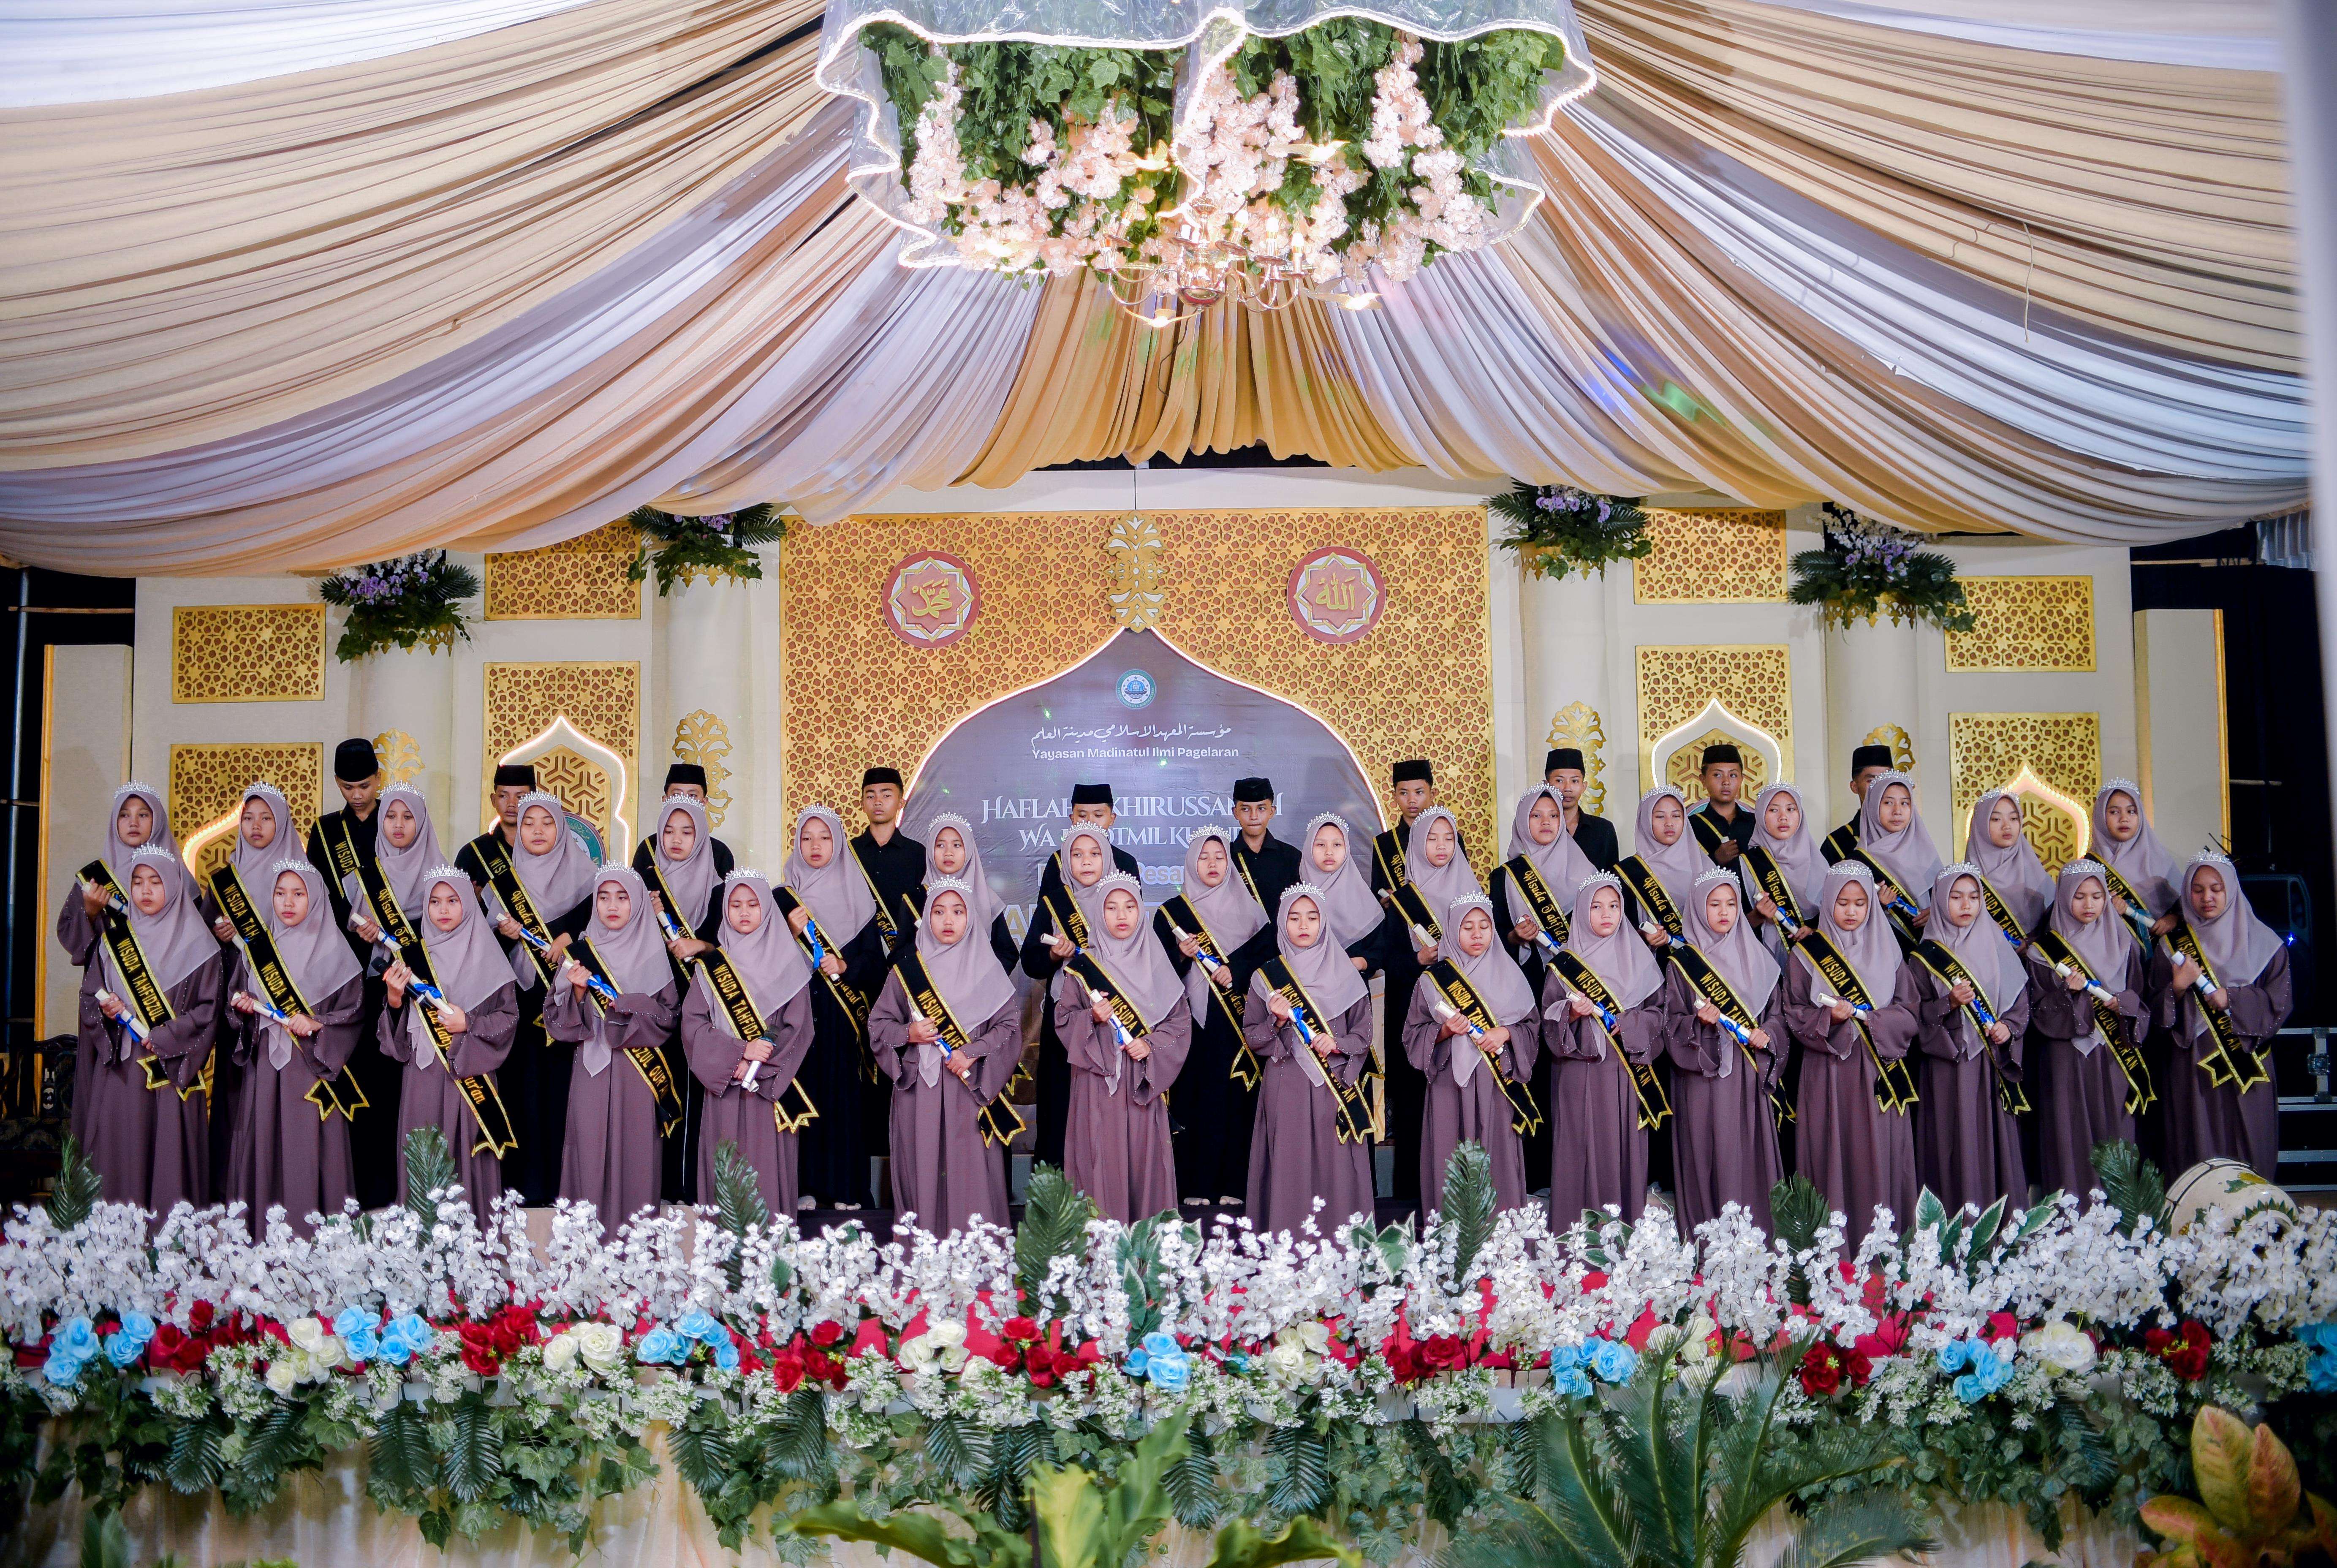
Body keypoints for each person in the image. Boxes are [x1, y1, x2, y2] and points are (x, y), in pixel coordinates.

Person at [73, 844, 220, 1217]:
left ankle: (169, 1242)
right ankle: (116, 1241)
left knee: (168, 1160)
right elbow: (90, 994)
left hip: (170, 1070)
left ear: (174, 885)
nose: (145, 890)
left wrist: (166, 1035)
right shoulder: (113, 942)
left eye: (156, 881)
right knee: (120, 1152)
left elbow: (207, 1012)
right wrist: (106, 1009)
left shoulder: (201, 945)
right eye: (137, 882)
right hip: (122, 1070)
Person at [870, 878, 1018, 1235]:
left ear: (971, 917)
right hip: (919, 1091)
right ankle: (923, 1255)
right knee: (920, 1167)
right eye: (938, 912)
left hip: (969, 1090)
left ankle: (976, 1256)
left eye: (958, 911)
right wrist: (909, 1033)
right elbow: (878, 1025)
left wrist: (972, 1052)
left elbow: (1010, 1028)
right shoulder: (907, 971)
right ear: (926, 917)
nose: (948, 920)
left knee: (971, 1172)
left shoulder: (989, 969)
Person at [1783, 861, 1922, 1238]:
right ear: (1828, 903)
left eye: (1860, 903)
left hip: (1879, 1070)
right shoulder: (1806, 954)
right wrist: (1829, 1019)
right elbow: (1794, 1012)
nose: (1851, 911)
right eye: (1842, 902)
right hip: (1827, 1070)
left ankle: (1882, 1245)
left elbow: (1910, 1011)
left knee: (1878, 1151)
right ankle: (1832, 1249)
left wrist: (1874, 1020)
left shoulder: (1891, 951)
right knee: (1830, 1150)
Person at [224, 861, 363, 1236]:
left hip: (311, 1071)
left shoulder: (337, 952)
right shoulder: (257, 950)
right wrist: (244, 1008)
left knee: (308, 1149)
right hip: (266, 1069)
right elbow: (236, 1005)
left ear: (315, 898)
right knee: (263, 1144)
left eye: (299, 894)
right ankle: (259, 1240)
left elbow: (353, 1014)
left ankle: (313, 1241)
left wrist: (319, 1023)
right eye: (280, 893)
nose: (288, 902)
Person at [475, 791, 598, 1205]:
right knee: (521, 1091)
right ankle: (523, 1187)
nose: (538, 831)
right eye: (529, 823)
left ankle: (566, 1187)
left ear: (562, 828)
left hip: (568, 1003)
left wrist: (570, 938)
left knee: (564, 1092)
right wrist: (503, 934)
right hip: (519, 1001)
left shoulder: (591, 880)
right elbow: (480, 949)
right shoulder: (502, 886)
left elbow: (605, 937)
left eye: (547, 822)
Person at [378, 866, 520, 1224]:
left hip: (470, 1078)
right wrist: (394, 998)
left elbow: (508, 1020)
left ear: (469, 903)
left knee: (466, 1159)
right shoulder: (411, 959)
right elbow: (397, 1040)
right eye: (435, 901)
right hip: (422, 1078)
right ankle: (422, 1251)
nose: (443, 909)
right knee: (423, 1160)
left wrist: (468, 1023)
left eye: (453, 901)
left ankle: (473, 1249)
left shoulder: (491, 956)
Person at [545, 867, 681, 1228]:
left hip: (637, 1073)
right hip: (591, 1069)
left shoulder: (654, 952)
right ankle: (585, 1245)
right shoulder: (580, 952)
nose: (612, 906)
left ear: (637, 903)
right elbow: (555, 1022)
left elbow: (669, 1016)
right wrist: (577, 992)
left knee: (634, 1153)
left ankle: (635, 1247)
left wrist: (628, 1003)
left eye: (622, 897)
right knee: (587, 1149)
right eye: (603, 898)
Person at [1055, 873, 1190, 1223]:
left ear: (1140, 911)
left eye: (1130, 906)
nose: (1122, 915)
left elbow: (1179, 1023)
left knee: (1144, 1162)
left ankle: (1146, 1247)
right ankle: (1098, 1247)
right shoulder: (1082, 968)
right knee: (1098, 1157)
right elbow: (1063, 1021)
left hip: (1142, 1082)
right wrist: (1091, 1017)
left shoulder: (1158, 963)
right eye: (1111, 908)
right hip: (1096, 1082)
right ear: (1099, 913)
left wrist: (1150, 1044)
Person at [681, 872, 817, 1217]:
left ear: (767, 908)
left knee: (765, 1176)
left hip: (768, 1089)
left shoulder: (790, 963)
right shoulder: (711, 967)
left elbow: (799, 1028)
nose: (744, 912)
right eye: (736, 905)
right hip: (725, 1086)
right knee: (726, 1174)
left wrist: (759, 1065)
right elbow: (693, 1025)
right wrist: (739, 1055)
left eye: (753, 905)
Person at [1244, 885, 1375, 1236]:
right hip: (1285, 1084)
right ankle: (1286, 1248)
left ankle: (1341, 1248)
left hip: (1334, 1086)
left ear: (1324, 922)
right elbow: (1252, 1038)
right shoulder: (1266, 977)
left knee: (1337, 1166)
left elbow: (1363, 1036)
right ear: (1282, 922)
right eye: (1294, 917)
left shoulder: (1348, 975)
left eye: (1313, 917)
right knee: (1290, 1165)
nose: (1304, 925)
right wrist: (1276, 1021)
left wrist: (1337, 1043)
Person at [307, 746, 407, 1209]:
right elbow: (317, 892)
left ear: (378, 778)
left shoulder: (397, 819)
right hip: (343, 969)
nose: (358, 795)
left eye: (365, 785)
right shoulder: (327, 831)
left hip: (394, 970)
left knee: (389, 1077)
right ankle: (348, 1188)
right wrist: (353, 921)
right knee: (350, 1074)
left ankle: (390, 1188)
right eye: (348, 788)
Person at [1662, 869, 1786, 1234]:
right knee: (1705, 1151)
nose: (1724, 911)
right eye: (1714, 904)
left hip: (1748, 1076)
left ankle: (1755, 1239)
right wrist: (1698, 1023)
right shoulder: (1682, 963)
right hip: (1702, 1077)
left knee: (1747, 1149)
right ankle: (1708, 1238)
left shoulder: (1760, 956)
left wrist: (1768, 1034)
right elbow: (1671, 1023)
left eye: (1731, 903)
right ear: (1698, 909)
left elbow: (1778, 1014)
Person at [1019, 788, 1139, 1165]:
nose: (1086, 861)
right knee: (1060, 1105)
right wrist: (1055, 954)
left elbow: (1138, 946)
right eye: (1077, 855)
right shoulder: (1058, 890)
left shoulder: (1124, 876)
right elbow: (1031, 960)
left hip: (1115, 1012)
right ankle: (1055, 1194)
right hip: (1067, 1016)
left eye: (1098, 816)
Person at [2152, 853, 2291, 1178]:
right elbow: (2154, 1015)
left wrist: (2234, 999)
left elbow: (2279, 1004)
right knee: (2196, 1147)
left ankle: (2254, 1209)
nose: (2207, 898)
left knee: (2249, 1141)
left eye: (2216, 889)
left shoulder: (2267, 944)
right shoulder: (2171, 948)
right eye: (2198, 890)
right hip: (2191, 1063)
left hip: (2247, 1059)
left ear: (2231, 889)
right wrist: (2177, 988)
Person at [1156, 825, 1273, 1207]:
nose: (1212, 863)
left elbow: (1268, 961)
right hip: (1189, 1021)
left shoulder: (1252, 911)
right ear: (1192, 862)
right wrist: (1181, 955)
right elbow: (1152, 972)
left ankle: (1234, 1185)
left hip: (1238, 1020)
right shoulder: (1172, 913)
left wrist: (1234, 970)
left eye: (1219, 856)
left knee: (1237, 1099)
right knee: (1193, 1098)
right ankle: (1194, 1184)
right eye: (1204, 857)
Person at [1541, 873, 1666, 1228]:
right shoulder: (1564, 965)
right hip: (1578, 1073)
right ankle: (1575, 1238)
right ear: (1582, 912)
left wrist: (1630, 1023)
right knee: (1579, 1146)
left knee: (1622, 1146)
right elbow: (1548, 1019)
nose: (1606, 914)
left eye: (1614, 906)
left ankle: (1624, 1235)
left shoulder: (1641, 959)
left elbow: (1660, 1014)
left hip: (1625, 1072)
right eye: (1596, 907)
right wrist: (1570, 1013)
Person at [781, 804, 889, 1209]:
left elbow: (876, 966)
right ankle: (804, 1187)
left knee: (843, 1099)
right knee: (803, 1094)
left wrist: (845, 966)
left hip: (842, 1018)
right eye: (807, 838)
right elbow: (760, 958)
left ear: (839, 843)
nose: (816, 846)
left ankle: (847, 1189)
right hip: (796, 1016)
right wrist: (789, 931)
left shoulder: (857, 894)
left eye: (825, 837)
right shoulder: (782, 897)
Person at [1374, 803, 1481, 1211]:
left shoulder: (1473, 895)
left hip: (1468, 1020)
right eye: (1432, 838)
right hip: (1417, 1018)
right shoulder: (1403, 901)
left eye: (1448, 838)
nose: (1441, 846)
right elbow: (1389, 960)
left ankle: (1467, 1196)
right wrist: (1419, 959)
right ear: (1417, 844)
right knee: (1415, 1103)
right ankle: (1414, 1198)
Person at [2025, 860, 2149, 1204]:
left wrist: (2124, 1004)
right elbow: (2038, 1013)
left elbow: (2141, 1001)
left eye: (2097, 896)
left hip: (2112, 1056)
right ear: (2065, 898)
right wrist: (2068, 993)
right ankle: (2071, 1218)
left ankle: (2121, 1216)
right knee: (2068, 1133)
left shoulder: (2125, 944)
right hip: (2064, 1058)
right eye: (2079, 896)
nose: (2089, 904)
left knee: (2116, 1129)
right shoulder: (2042, 952)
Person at [1405, 894, 1540, 1212]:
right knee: (1450, 1158)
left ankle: (1501, 1237)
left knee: (1498, 1157)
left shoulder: (1511, 974)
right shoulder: (1432, 981)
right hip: (1449, 1085)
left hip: (1496, 1084)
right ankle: (1453, 1238)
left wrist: (1505, 1033)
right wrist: (1444, 1031)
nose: (1477, 934)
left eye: (1484, 926)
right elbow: (1412, 1034)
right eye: (1467, 928)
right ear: (1453, 931)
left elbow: (1532, 1028)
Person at [1910, 864, 2032, 1212]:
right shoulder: (1924, 956)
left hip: (1990, 1064)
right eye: (1956, 897)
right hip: (1948, 1065)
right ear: (1940, 901)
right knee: (1951, 1139)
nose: (1966, 905)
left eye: (1974, 897)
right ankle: (1952, 1224)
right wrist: (1948, 1003)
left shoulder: (1998, 946)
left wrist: (2009, 1027)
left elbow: (2020, 1005)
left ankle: (1999, 1221)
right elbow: (1915, 1016)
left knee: (1991, 1138)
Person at [1490, 783, 1595, 1182]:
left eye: (1553, 815)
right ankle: (1534, 1176)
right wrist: (1516, 937)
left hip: (1576, 991)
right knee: (1531, 1071)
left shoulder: (1585, 872)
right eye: (1536, 816)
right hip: (1526, 984)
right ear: (1522, 821)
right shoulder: (1505, 877)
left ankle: (1575, 1173)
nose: (1546, 822)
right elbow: (1492, 939)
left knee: (1571, 1076)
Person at [633, 793, 726, 1201]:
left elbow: (730, 947)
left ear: (701, 837)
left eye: (687, 832)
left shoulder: (721, 890)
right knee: (653, 1089)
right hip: (652, 1000)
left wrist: (700, 946)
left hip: (700, 1002)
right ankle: (650, 1185)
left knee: (692, 1090)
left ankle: (689, 1186)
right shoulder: (643, 885)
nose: (676, 839)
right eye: (668, 831)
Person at [58, 782, 184, 972]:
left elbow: (198, 939)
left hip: (170, 981)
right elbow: (69, 937)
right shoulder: (95, 878)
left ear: (157, 820)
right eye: (124, 815)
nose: (133, 823)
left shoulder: (178, 874)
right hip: (111, 981)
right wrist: (90, 913)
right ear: (114, 822)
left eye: (143, 815)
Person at [1845, 772, 1941, 946]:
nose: (1897, 811)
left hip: (1927, 954)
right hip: (1881, 951)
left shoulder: (1927, 854)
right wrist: (1878, 907)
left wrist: (1938, 915)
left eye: (1905, 803)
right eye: (1888, 803)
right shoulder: (1856, 863)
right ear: (1873, 806)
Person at [914, 813, 1018, 973]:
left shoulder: (986, 898)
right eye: (940, 845)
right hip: (929, 986)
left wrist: (978, 978)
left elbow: (1007, 954)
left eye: (957, 845)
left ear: (969, 850)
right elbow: (902, 954)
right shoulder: (915, 898)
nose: (948, 853)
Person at [1614, 786, 1708, 951]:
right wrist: (1643, 935)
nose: (1669, 823)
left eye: (1676, 816)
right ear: (1645, 821)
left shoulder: (1706, 867)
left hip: (1700, 962)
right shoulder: (1628, 872)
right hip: (1649, 960)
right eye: (1660, 817)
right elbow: (1618, 931)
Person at [1742, 783, 1825, 962]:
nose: (1783, 817)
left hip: (1815, 962)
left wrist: (1816, 932)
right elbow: (1732, 928)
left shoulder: (1818, 862)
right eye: (1773, 810)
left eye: (1791, 809)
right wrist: (1758, 916)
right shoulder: (1746, 864)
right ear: (1760, 815)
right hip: (1762, 962)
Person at [851, 766, 925, 961]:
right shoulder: (848, 853)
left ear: (901, 803)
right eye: (871, 796)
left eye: (886, 795)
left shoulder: (918, 854)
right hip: (856, 957)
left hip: (906, 954)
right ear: (862, 804)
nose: (878, 802)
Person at [2092, 780, 2183, 939]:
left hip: (2158, 949)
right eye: (2114, 812)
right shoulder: (2090, 865)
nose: (2124, 819)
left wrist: (2174, 918)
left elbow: (2188, 908)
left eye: (2131, 812)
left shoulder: (2161, 861)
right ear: (2100, 817)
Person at [1964, 790, 2054, 941]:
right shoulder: (1965, 881)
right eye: (1996, 819)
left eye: (2014, 818)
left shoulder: (2037, 873)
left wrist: (2032, 944)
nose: (2007, 826)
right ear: (1980, 825)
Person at [1229, 777, 1304, 915]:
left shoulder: (1292, 857)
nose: (1254, 816)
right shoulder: (1225, 857)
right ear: (1235, 813)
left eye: (1261, 809)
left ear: (1272, 812)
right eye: (1245, 809)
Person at [1545, 748, 1619, 872]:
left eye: (1575, 781)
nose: (1568, 788)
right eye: (1559, 781)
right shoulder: (1539, 828)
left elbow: (1613, 878)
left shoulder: (1603, 830)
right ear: (1546, 785)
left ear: (1584, 787)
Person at [1821, 744, 1897, 863]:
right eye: (1872, 780)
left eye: (1885, 780)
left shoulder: (1907, 837)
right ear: (1855, 787)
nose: (1880, 787)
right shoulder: (1837, 843)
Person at [1685, 744, 1756, 865]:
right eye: (1717, 775)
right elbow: (1683, 870)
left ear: (1741, 780)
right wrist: (1715, 859)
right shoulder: (1690, 826)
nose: (1726, 782)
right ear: (1703, 780)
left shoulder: (1757, 823)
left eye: (1733, 775)